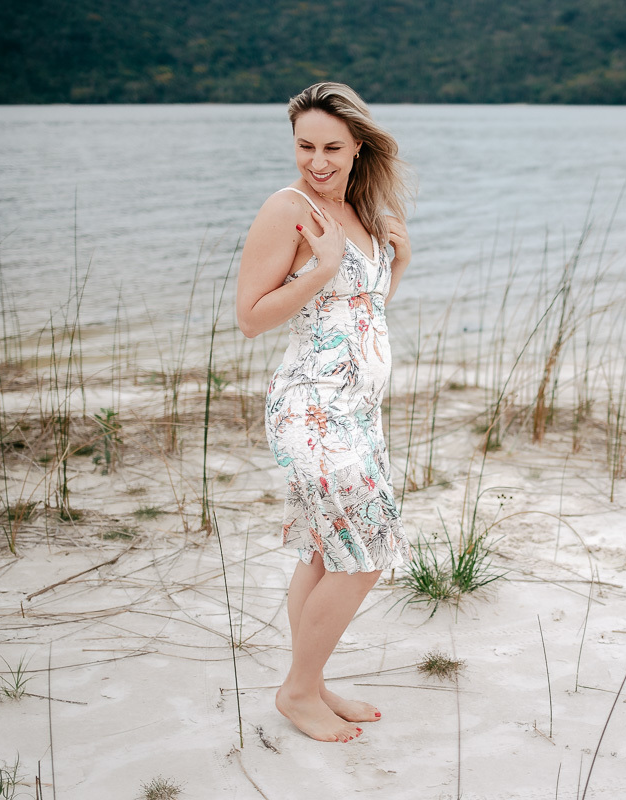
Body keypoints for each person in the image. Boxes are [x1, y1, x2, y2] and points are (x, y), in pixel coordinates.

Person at [235, 82, 414, 743]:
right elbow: (250, 318)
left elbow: (359, 315)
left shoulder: (362, 211)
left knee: (322, 550)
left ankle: (311, 679)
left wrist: (400, 262)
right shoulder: (289, 211)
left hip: (358, 415)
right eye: (305, 146)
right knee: (365, 553)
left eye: (332, 147)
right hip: (311, 413)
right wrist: (318, 268)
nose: (317, 161)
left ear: (358, 147)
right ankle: (297, 691)